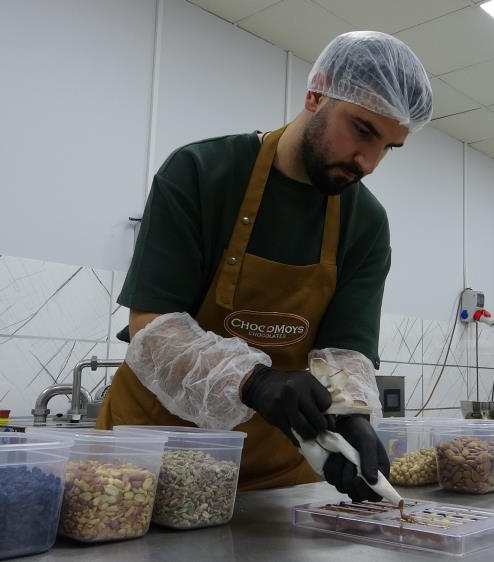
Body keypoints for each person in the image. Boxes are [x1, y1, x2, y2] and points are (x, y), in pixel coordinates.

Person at [95, 31, 433, 502]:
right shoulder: (200, 172)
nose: (369, 163)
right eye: (362, 130)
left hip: (276, 479)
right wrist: (253, 382)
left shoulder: (366, 223)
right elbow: (151, 331)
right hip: (150, 463)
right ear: (316, 94)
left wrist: (350, 414)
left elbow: (344, 354)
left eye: (389, 147)